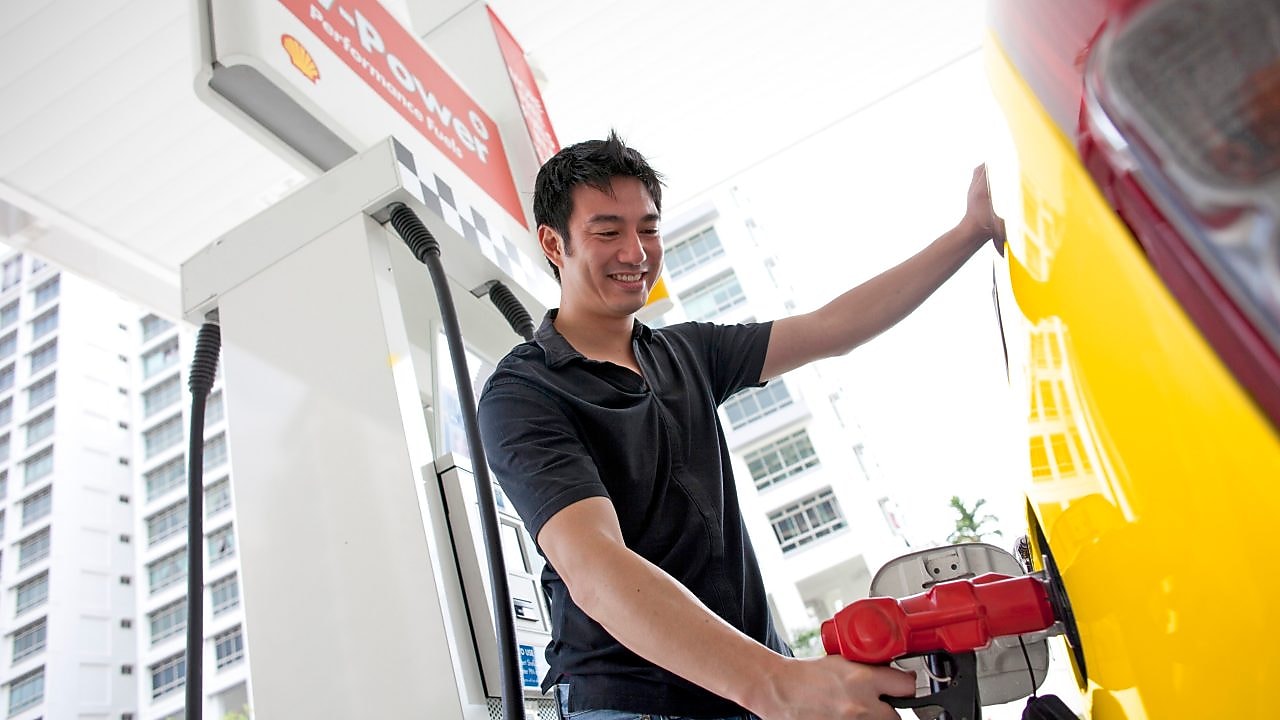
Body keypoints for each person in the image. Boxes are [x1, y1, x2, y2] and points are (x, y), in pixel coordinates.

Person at [477, 131, 1001, 720]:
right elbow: (595, 567)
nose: (636, 252)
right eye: (607, 232)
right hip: (638, 702)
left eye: (648, 229)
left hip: (751, 681)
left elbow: (831, 328)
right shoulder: (524, 393)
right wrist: (775, 685)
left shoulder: (685, 352)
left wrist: (970, 231)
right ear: (554, 242)